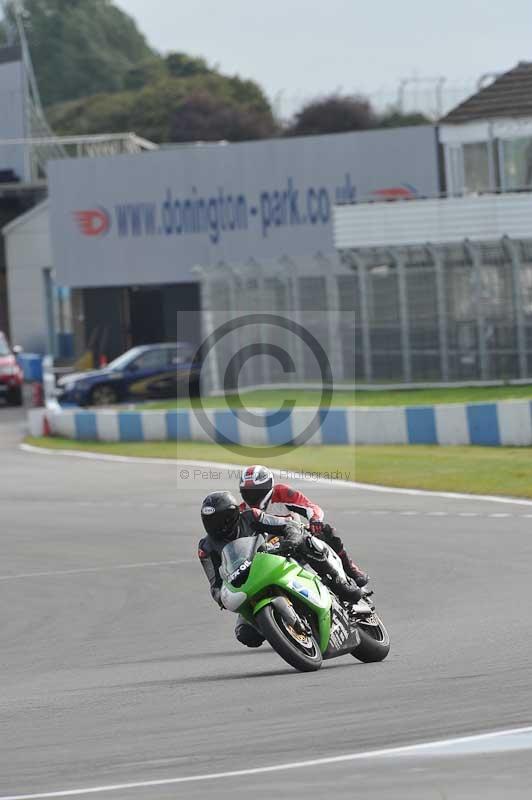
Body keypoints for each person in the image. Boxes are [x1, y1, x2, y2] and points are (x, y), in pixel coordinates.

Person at [198, 490, 363, 648]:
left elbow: (285, 524)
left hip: (274, 558)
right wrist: (221, 597)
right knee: (246, 634)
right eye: (209, 521)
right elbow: (215, 583)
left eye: (219, 520)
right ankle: (282, 628)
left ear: (232, 515)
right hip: (248, 583)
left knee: (306, 541)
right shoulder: (206, 547)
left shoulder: (250, 516)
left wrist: (292, 538)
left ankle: (339, 581)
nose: (215, 526)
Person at [238, 465, 368, 587]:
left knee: (327, 531)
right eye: (247, 492)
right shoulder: (241, 511)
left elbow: (310, 507)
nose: (251, 496)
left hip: (298, 536)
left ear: (268, 487)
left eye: (255, 492)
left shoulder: (282, 492)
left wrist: (315, 519)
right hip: (268, 550)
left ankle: (350, 569)